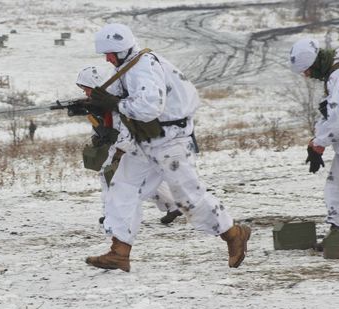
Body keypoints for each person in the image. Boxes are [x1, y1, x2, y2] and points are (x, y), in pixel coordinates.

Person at [85, 23, 251, 272]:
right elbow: (121, 100)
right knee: (123, 186)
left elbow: (150, 107)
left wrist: (115, 104)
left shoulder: (143, 67)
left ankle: (234, 233)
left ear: (122, 50)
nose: (107, 59)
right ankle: (119, 251)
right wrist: (99, 105)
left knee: (188, 197)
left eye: (110, 54)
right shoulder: (128, 68)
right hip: (145, 141)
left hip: (170, 140)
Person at [76, 65, 184, 226]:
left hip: (132, 145)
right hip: (135, 145)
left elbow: (125, 128)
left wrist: (119, 152)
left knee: (108, 175)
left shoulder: (116, 101)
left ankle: (111, 214)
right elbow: (108, 125)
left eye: (87, 89)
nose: (85, 93)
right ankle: (173, 204)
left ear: (97, 85)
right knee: (145, 179)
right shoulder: (107, 101)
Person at [290, 37, 339, 246]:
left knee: (335, 189)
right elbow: (329, 111)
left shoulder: (336, 76)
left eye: (307, 70)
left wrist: (319, 144)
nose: (307, 76)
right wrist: (316, 139)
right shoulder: (333, 70)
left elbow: (337, 119)